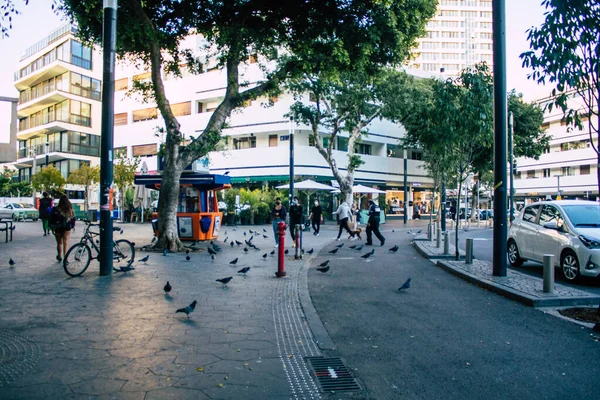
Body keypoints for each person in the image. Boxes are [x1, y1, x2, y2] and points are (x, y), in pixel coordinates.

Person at [49, 194, 76, 262]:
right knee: (66, 242)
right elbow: (73, 219)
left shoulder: (55, 209)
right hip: (67, 228)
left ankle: (59, 256)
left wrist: (52, 226)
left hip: (57, 227)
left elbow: (52, 218)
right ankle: (65, 258)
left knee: (59, 243)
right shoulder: (70, 210)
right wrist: (72, 226)